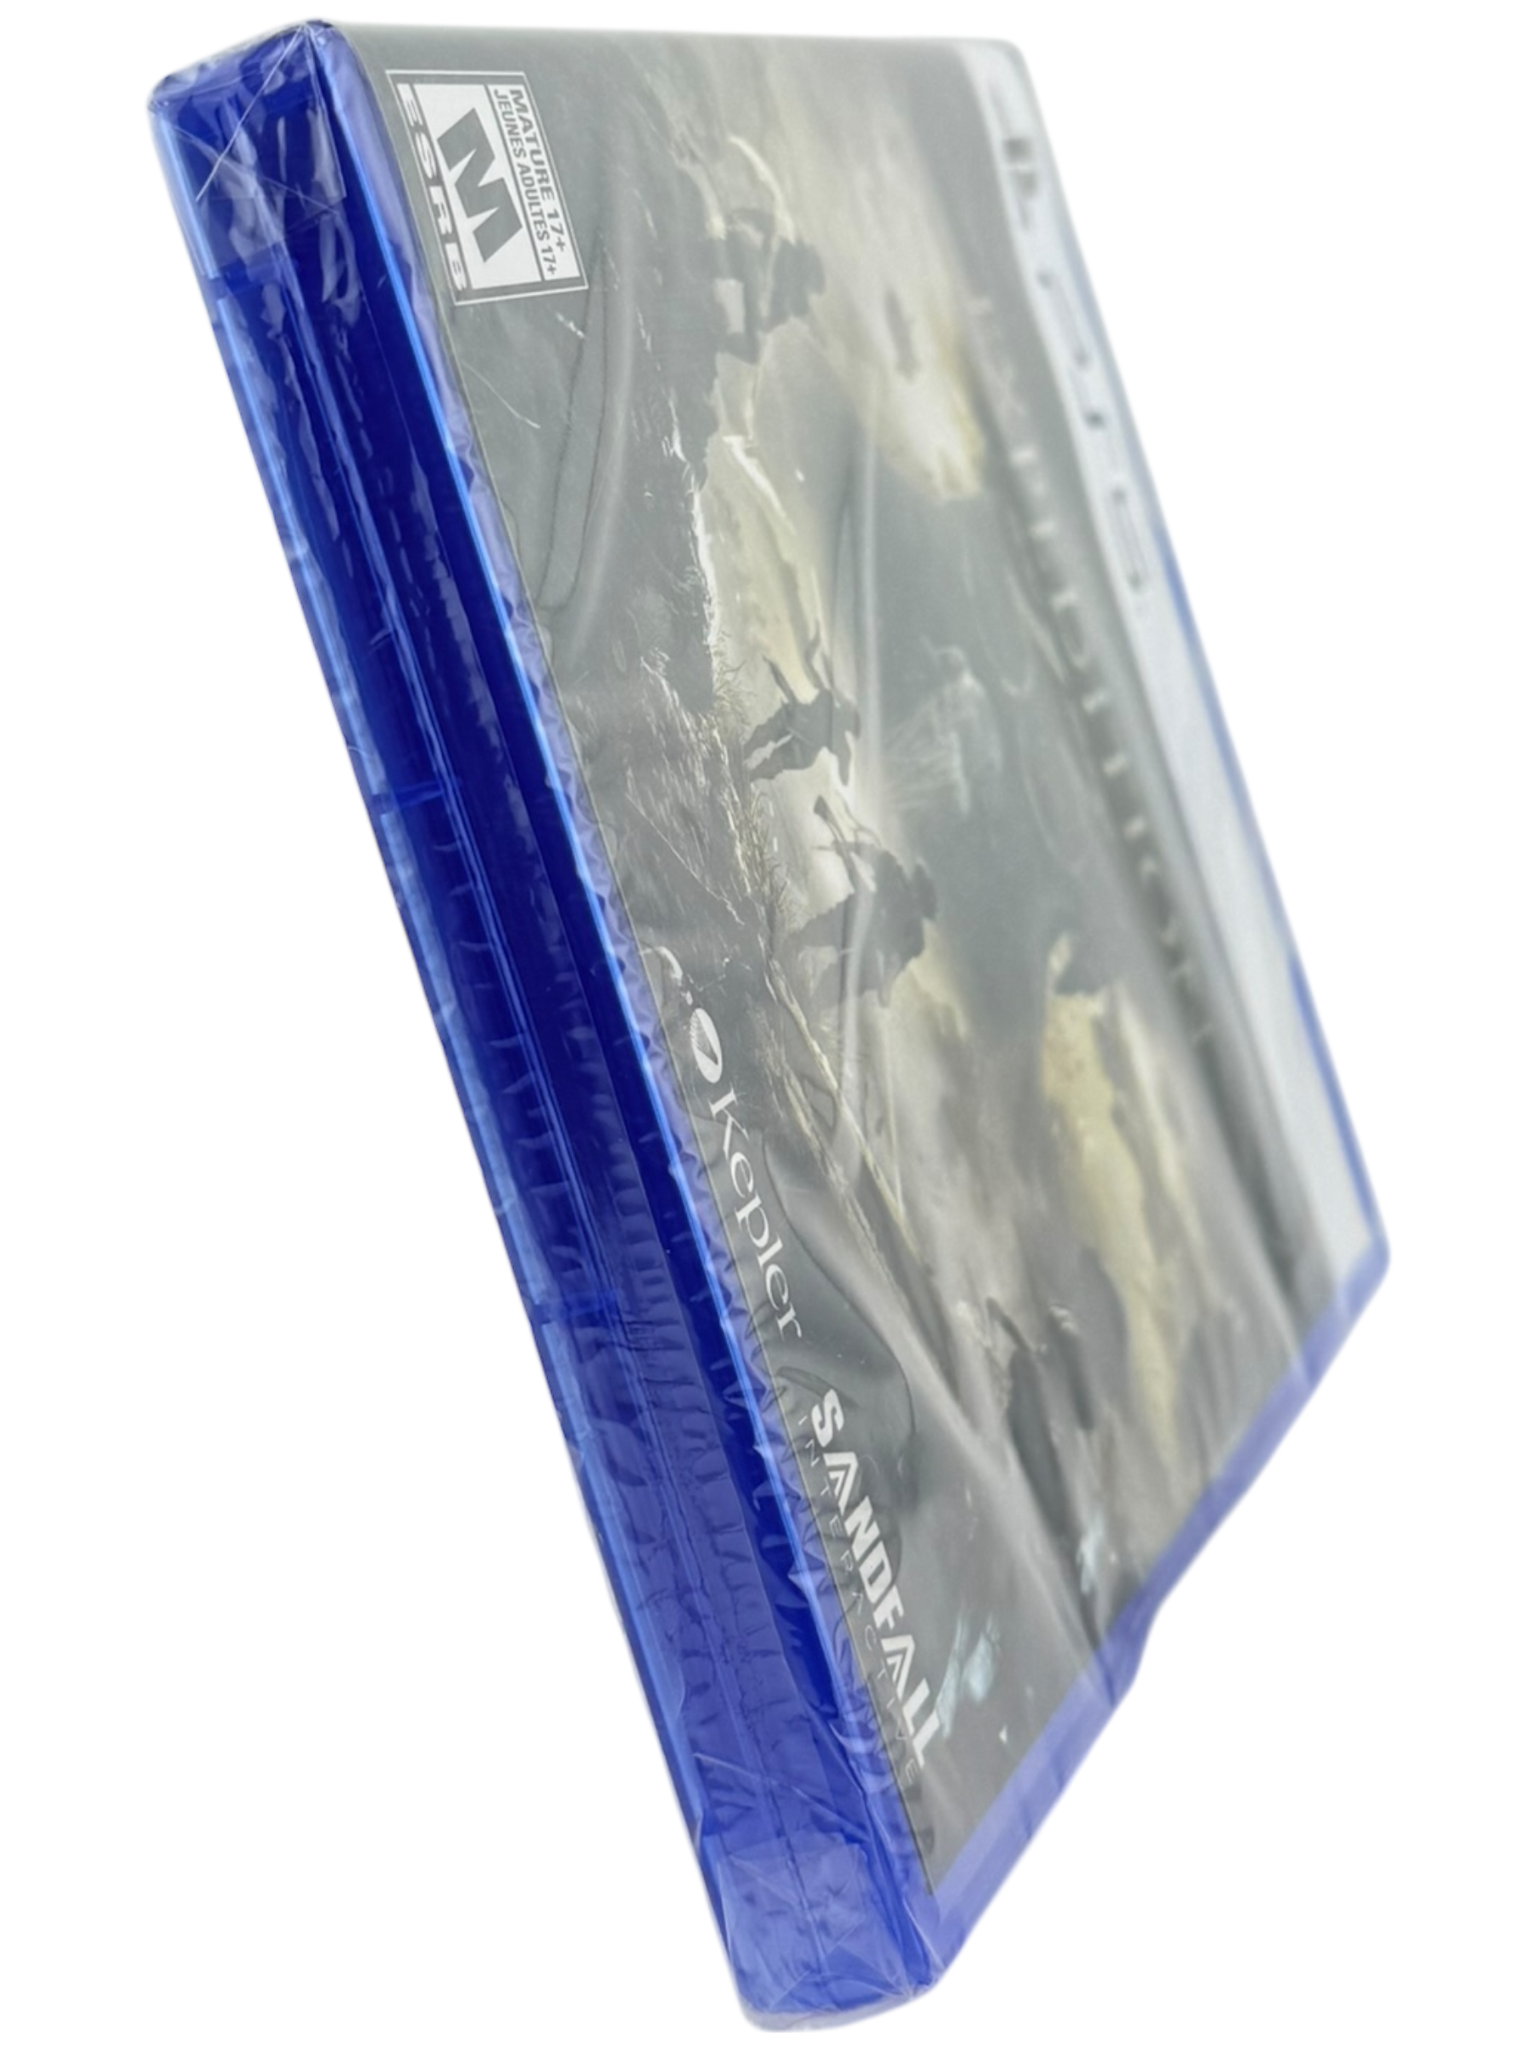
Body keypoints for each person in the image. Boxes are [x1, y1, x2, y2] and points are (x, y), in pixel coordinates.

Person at [795, 799, 938, 1009]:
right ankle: (789, 952)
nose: (913, 899)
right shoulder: (894, 875)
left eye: (919, 900)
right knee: (811, 935)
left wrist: (886, 987)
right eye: (915, 889)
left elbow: (895, 965)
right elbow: (872, 854)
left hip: (869, 957)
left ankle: (810, 1007)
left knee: (837, 983)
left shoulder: (915, 937)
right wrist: (846, 847)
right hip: (854, 917)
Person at [745, 654, 861, 784]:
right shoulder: (825, 699)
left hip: (804, 752)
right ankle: (743, 753)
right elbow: (789, 690)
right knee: (763, 735)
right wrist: (774, 667)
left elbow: (844, 778)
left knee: (772, 763)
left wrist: (845, 764)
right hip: (794, 719)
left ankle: (749, 777)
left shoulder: (839, 740)